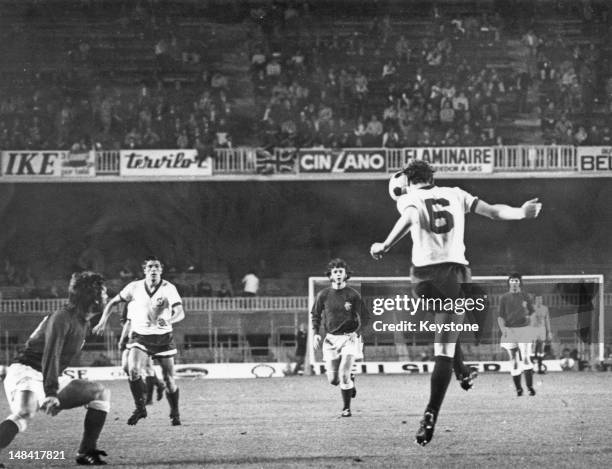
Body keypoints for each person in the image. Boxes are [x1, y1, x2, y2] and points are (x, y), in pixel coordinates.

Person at [370, 160, 542, 446]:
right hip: (454, 274)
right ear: (430, 177)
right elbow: (494, 212)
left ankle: (463, 372)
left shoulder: (408, 197)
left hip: (422, 279)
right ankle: (431, 412)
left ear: (408, 181)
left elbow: (411, 218)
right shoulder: (457, 193)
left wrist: (385, 245)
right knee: (444, 348)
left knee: (446, 328)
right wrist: (522, 213)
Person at [0, 271, 111, 466]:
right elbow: (51, 354)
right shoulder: (62, 317)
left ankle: (86, 451)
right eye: (103, 292)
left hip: (47, 374)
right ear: (91, 296)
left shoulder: (81, 321)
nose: (106, 296)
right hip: (26, 370)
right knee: (24, 412)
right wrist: (51, 392)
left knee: (100, 393)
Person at [93, 256, 184, 426]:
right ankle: (140, 408)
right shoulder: (134, 287)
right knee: (133, 369)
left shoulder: (168, 288)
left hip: (163, 337)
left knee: (169, 380)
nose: (153, 269)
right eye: (150, 267)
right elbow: (113, 302)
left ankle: (175, 412)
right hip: (140, 336)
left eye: (157, 266)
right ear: (145, 271)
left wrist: (170, 320)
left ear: (161, 270)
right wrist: (102, 321)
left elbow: (180, 311)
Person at [311, 259, 370, 417]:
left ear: (346, 275)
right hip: (330, 340)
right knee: (334, 381)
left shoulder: (352, 294)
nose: (337, 274)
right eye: (335, 272)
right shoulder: (323, 295)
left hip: (349, 338)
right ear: (330, 275)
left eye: (340, 271)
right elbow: (315, 315)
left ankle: (346, 408)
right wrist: (316, 333)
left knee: (343, 375)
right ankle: (350, 379)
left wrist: (357, 333)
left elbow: (366, 317)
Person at [117, 304, 165, 406]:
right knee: (126, 367)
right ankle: (158, 385)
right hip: (131, 335)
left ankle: (148, 398)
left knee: (148, 366)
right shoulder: (131, 302)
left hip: (146, 336)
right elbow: (126, 321)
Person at [498, 273, 537, 396]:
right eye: (512, 280)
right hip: (510, 331)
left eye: (516, 280)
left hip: (524, 329)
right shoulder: (504, 297)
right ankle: (518, 389)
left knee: (525, 357)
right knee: (514, 360)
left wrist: (530, 324)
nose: (514, 282)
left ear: (519, 282)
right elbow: (500, 316)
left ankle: (530, 387)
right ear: (509, 282)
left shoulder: (525, 296)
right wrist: (503, 329)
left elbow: (533, 313)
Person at [530, 295, 551, 374]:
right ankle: (531, 369)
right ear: (535, 300)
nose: (539, 300)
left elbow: (547, 320)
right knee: (533, 348)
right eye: (537, 299)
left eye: (540, 299)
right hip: (533, 329)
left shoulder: (545, 308)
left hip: (542, 329)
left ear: (542, 300)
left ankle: (540, 369)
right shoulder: (531, 308)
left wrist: (549, 332)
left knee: (541, 349)